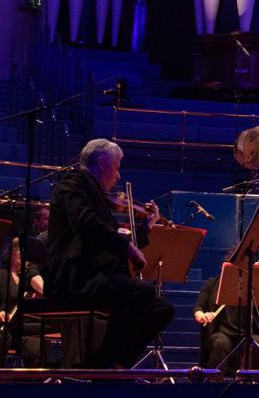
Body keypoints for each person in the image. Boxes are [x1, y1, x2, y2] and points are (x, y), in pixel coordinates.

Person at [45, 139, 175, 369]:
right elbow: (87, 224)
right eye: (117, 166)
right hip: (75, 276)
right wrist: (126, 247)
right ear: (103, 162)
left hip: (97, 275)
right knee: (141, 292)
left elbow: (117, 238)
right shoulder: (73, 183)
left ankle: (111, 364)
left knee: (162, 309)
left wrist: (146, 228)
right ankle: (102, 366)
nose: (119, 174)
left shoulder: (95, 192)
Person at [194, 273, 259, 373]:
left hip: (246, 333)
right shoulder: (212, 283)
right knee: (220, 342)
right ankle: (214, 381)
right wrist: (202, 315)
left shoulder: (250, 286)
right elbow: (198, 307)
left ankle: (255, 382)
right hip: (223, 333)